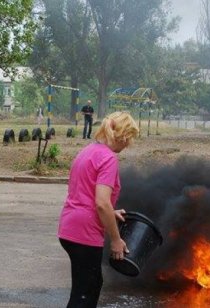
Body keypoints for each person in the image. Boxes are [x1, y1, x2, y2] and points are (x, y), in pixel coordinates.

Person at [57, 111, 139, 307]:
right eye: (129, 139)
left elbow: (87, 194)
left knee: (83, 289)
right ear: (123, 136)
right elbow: (102, 203)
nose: (128, 145)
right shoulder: (108, 158)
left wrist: (112, 212)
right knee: (86, 293)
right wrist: (116, 240)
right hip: (85, 232)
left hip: (69, 227)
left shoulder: (89, 150)